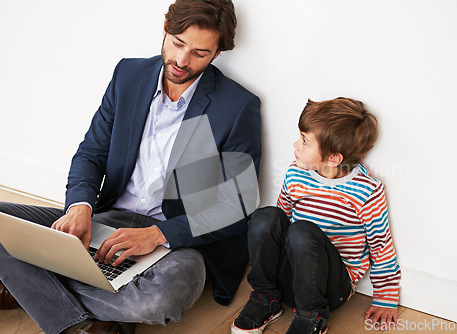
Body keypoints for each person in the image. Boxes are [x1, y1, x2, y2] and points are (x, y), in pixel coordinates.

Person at [0, 0, 261, 333]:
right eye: (178, 43)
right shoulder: (129, 75)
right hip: (107, 219)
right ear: (166, 30)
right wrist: (80, 206)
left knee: (160, 299)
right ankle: (81, 323)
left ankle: (27, 287)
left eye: (199, 53)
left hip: (175, 241)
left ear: (217, 54)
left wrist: (157, 234)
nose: (182, 61)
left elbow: (234, 206)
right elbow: (91, 153)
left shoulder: (237, 106)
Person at [231, 97, 401, 334]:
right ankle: (265, 298)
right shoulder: (295, 173)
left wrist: (385, 297)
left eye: (304, 141)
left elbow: (381, 246)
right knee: (266, 217)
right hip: (289, 277)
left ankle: (312, 317)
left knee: (302, 230)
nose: (295, 146)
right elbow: (278, 226)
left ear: (333, 158)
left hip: (329, 288)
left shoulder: (367, 191)